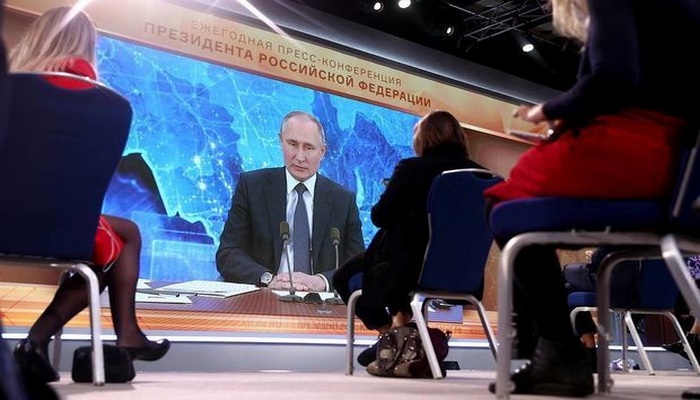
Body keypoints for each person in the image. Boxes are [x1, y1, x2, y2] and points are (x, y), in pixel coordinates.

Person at [484, 0, 700, 396]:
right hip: (684, 170)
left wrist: (547, 110)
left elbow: (614, 79)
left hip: (642, 149)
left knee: (503, 205)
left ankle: (557, 352)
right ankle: (554, 351)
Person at [8, 7, 170, 383]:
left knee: (116, 235)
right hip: (56, 231)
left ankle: (43, 343)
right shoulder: (102, 102)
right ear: (87, 46)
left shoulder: (10, 86)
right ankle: (45, 339)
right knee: (120, 238)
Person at [333, 110, 485, 367]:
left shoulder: (412, 169)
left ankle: (392, 337)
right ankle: (403, 337)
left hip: (410, 271)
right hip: (464, 275)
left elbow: (380, 216)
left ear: (423, 140)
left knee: (344, 277)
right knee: (398, 264)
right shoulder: (484, 177)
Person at [216, 111, 364, 291]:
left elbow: (358, 266)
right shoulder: (252, 186)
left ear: (323, 151)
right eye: (292, 144)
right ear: (281, 141)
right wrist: (268, 279)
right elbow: (228, 253)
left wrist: (321, 281)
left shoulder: (343, 200)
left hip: (318, 300)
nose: (300, 157)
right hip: (265, 294)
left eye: (308, 148)